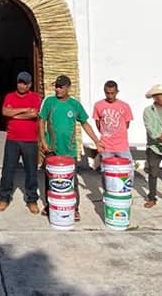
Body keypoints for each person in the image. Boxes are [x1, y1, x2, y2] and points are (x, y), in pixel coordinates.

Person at [38, 75, 100, 221]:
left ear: (68, 88)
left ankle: (74, 208)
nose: (57, 89)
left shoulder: (75, 105)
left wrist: (96, 141)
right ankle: (50, 205)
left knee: (71, 180)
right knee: (50, 178)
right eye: (56, 86)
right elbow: (41, 121)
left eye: (61, 87)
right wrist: (43, 141)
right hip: (52, 148)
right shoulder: (49, 102)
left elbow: (85, 123)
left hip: (69, 149)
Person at [0, 72, 42, 214]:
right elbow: (5, 112)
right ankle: (4, 197)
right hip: (12, 139)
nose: (22, 85)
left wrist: (14, 114)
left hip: (30, 140)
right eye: (20, 82)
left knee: (31, 171)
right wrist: (24, 110)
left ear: (30, 84)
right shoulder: (9, 96)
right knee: (8, 170)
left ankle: (32, 199)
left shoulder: (35, 97)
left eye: (25, 83)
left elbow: (34, 114)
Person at [92, 80, 134, 161]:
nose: (110, 96)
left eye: (112, 93)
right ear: (104, 92)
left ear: (117, 92)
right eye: (108, 93)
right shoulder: (98, 105)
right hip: (106, 146)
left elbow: (127, 125)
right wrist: (106, 134)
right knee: (107, 171)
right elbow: (98, 123)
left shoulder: (125, 106)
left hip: (122, 146)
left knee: (127, 170)